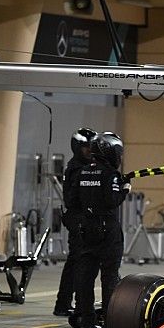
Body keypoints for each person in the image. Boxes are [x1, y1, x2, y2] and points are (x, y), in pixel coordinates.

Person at [67, 132, 130, 328]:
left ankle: (86, 320)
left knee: (85, 276)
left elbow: (73, 201)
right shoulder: (110, 175)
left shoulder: (83, 172)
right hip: (107, 231)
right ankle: (110, 320)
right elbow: (112, 200)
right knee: (110, 276)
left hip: (86, 229)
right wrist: (125, 189)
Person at [54, 127, 96, 316]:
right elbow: (73, 199)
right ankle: (77, 306)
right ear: (77, 147)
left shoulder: (79, 167)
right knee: (80, 265)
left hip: (78, 218)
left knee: (74, 264)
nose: (90, 151)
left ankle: (63, 304)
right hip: (78, 219)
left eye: (91, 147)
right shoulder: (77, 169)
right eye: (86, 147)